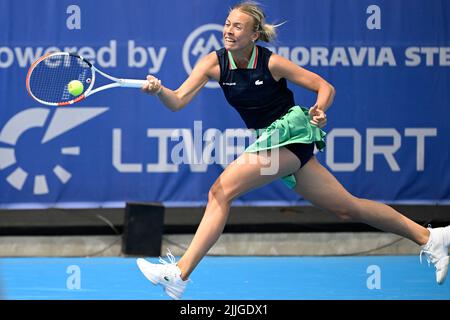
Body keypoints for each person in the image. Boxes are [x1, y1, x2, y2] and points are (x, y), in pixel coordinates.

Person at [136, 1, 450, 300]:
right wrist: (159, 90)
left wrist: (320, 109)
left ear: (254, 35)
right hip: (271, 142)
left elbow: (325, 86)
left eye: (238, 26)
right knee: (347, 207)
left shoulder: (271, 63)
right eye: (227, 24)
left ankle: (179, 274)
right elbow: (177, 101)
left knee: (221, 191)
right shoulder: (213, 63)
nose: (229, 31)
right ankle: (430, 238)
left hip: (292, 136)